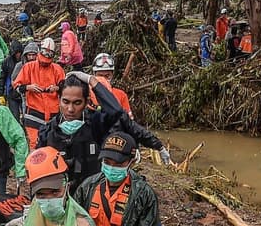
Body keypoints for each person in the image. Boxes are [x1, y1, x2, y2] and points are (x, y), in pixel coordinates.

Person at [38, 72, 170, 192]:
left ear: (86, 102)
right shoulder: (49, 130)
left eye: (77, 103)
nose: (70, 109)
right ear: (59, 99)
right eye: (65, 102)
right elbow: (39, 170)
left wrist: (92, 81)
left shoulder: (97, 124)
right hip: (61, 197)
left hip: (92, 195)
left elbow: (118, 113)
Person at [13, 38, 66, 147]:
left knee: (53, 145)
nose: (44, 63)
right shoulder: (29, 67)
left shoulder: (57, 69)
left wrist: (56, 88)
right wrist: (28, 87)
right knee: (35, 145)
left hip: (53, 114)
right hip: (34, 112)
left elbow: (65, 87)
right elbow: (17, 86)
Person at [91, 53, 133, 118]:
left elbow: (129, 120)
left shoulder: (121, 95)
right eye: (100, 75)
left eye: (107, 76)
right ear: (94, 75)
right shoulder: (87, 94)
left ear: (112, 75)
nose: (103, 79)